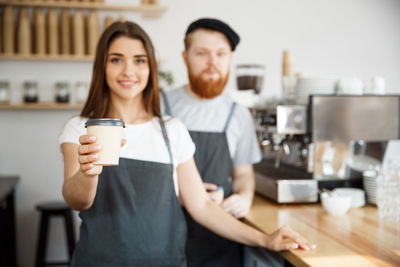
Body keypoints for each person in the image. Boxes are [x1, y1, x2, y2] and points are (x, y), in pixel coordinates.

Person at [59, 21, 315, 267]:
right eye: (116, 59)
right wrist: (88, 172)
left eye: (139, 60)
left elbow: (201, 205)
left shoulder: (171, 129)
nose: (129, 71)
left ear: (150, 68)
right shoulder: (81, 127)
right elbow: (76, 200)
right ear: (101, 66)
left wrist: (265, 239)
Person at [161, 18, 261, 266]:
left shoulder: (238, 114)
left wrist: (244, 196)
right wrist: (183, 193)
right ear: (185, 57)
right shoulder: (160, 105)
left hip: (221, 240)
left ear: (229, 59)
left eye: (220, 54)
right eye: (202, 53)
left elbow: (243, 173)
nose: (212, 62)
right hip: (164, 238)